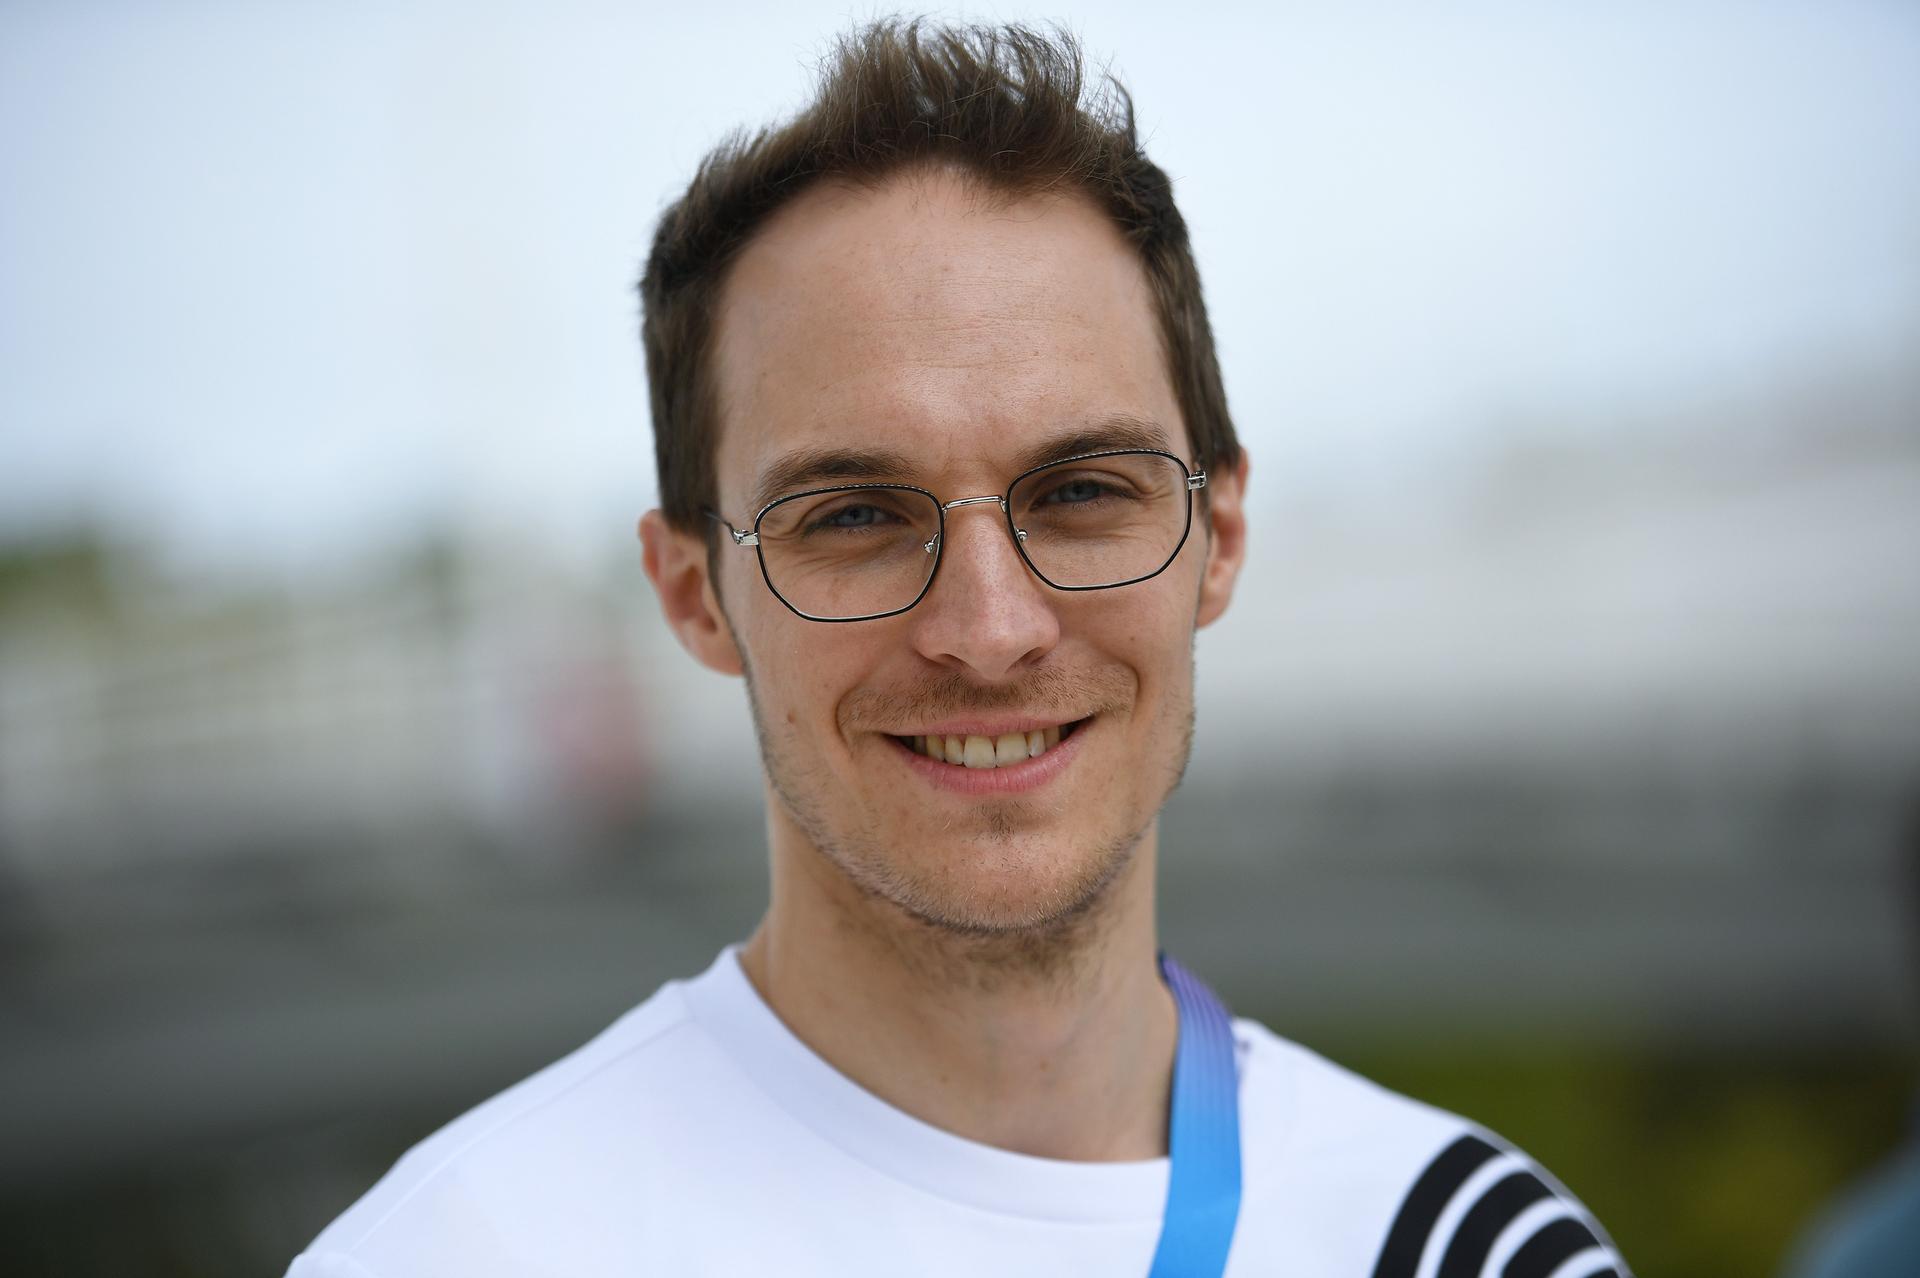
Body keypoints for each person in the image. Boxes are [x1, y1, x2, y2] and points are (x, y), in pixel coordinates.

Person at [289, 21, 1630, 1277]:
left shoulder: (1464, 1244)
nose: (990, 631)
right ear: (694, 594)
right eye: (855, 517)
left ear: (1218, 536)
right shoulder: (457, 1250)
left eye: (1083, 492)